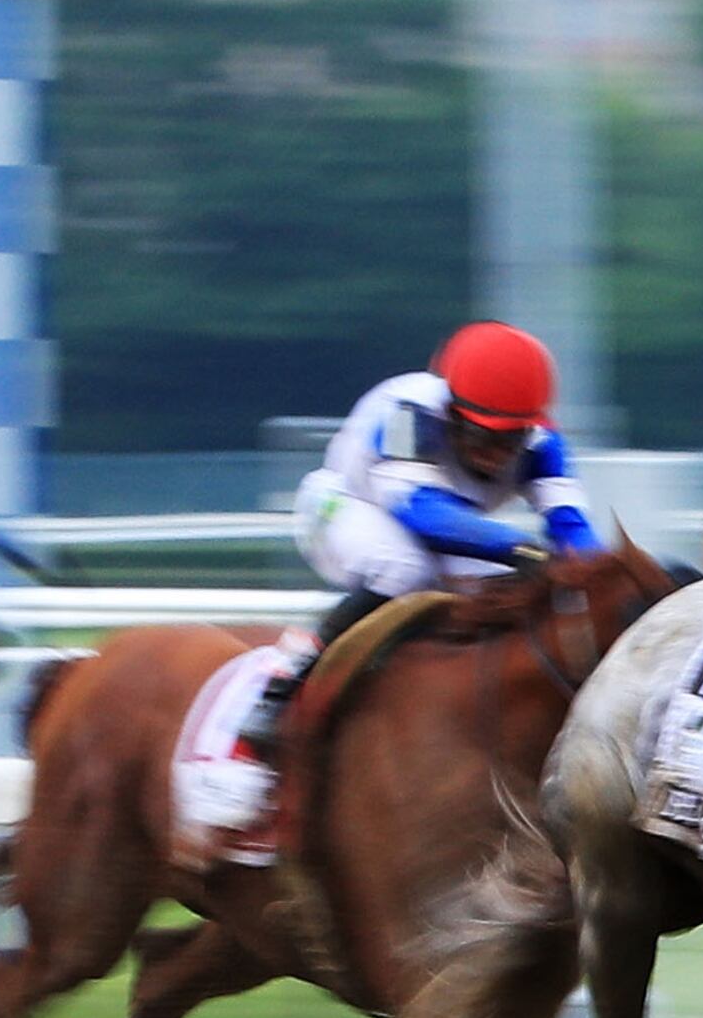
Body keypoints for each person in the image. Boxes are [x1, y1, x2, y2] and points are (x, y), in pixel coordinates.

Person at [239, 320, 603, 762]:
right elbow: (424, 515)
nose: (499, 455)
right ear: (450, 412)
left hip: (448, 526)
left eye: (513, 440)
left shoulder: (544, 446)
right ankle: (284, 681)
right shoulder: (408, 414)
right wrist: (523, 551)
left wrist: (595, 575)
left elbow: (573, 529)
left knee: (513, 589)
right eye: (484, 437)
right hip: (344, 508)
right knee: (406, 567)